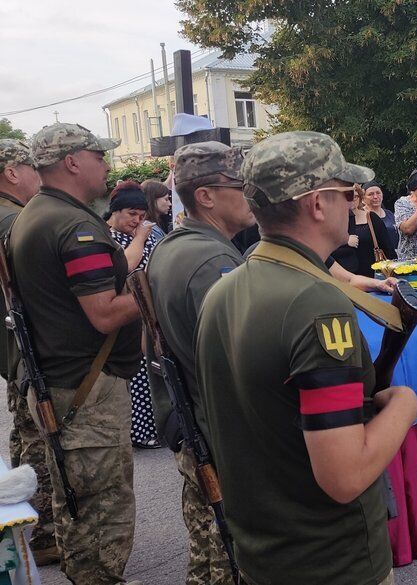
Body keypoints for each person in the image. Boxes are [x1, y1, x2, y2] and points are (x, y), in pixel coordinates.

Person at [196, 130, 417, 584]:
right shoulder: (316, 303)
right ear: (317, 203)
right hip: (330, 561)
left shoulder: (224, 291)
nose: (353, 203)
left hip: (264, 554)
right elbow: (345, 475)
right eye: (346, 193)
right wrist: (404, 405)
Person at [10, 122, 142, 584]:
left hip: (62, 382)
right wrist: (153, 289)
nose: (106, 165)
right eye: (99, 156)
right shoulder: (73, 225)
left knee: (77, 503)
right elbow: (104, 315)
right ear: (72, 162)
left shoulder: (38, 213)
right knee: (104, 510)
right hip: (87, 389)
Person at [146, 141, 251, 584]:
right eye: (240, 185)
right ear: (206, 196)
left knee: (207, 555)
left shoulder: (175, 246)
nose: (250, 194)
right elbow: (240, 364)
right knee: (230, 556)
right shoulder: (214, 260)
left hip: (193, 423)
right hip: (219, 433)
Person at [0, 139, 57, 565]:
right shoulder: (13, 221)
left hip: (11, 350)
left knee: (24, 434)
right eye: (30, 166)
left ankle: (26, 528)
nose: (38, 175)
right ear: (11, 172)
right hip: (26, 351)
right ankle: (41, 534)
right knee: (37, 439)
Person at [106, 182, 164, 448]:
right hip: (128, 315)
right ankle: (141, 433)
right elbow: (126, 267)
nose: (138, 220)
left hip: (149, 315)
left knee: (151, 373)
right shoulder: (111, 238)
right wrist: (140, 237)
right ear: (115, 212)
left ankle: (155, 427)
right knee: (139, 375)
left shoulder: (143, 233)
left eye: (142, 215)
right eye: (131, 214)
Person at [331, 183, 398, 278]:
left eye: (355, 196)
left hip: (372, 275)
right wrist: (346, 242)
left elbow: (388, 249)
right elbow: (326, 253)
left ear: (360, 197)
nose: (351, 200)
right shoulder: (333, 221)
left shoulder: (371, 218)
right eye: (347, 196)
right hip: (344, 277)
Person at [363, 182, 398, 253]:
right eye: (371, 194)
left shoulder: (389, 214)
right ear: (363, 198)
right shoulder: (361, 216)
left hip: (393, 257)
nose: (375, 197)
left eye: (378, 193)